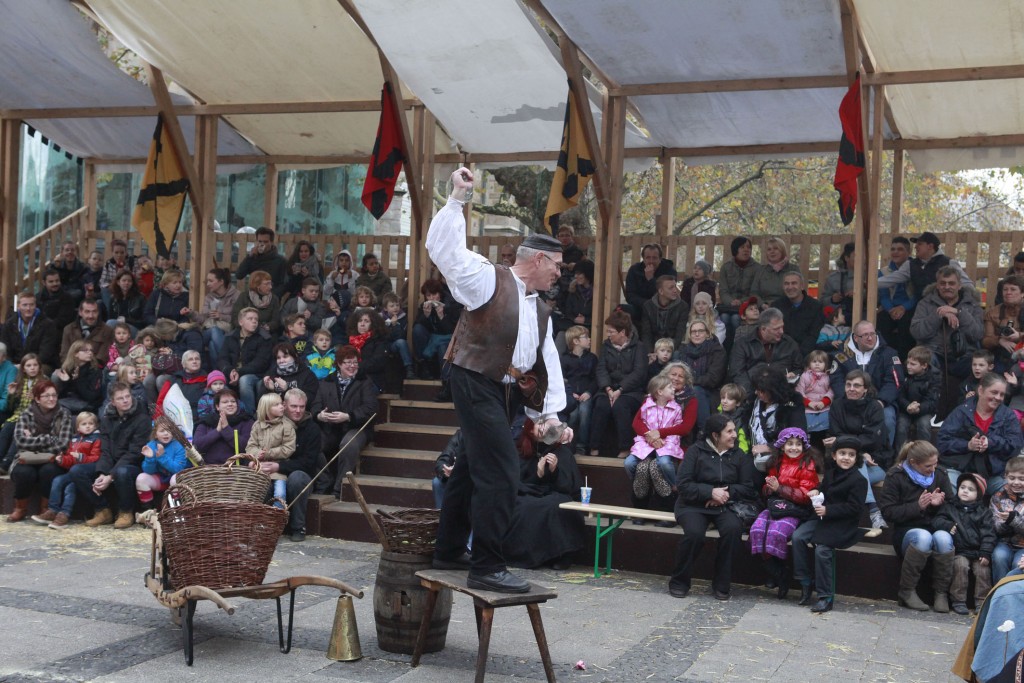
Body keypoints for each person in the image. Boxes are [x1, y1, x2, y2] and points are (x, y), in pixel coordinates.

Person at [426, 167, 571, 594]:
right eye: (557, 266)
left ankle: (449, 550)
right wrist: (457, 199)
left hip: (505, 390)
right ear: (539, 259)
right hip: (472, 376)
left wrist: (549, 416)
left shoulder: (540, 309)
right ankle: (487, 565)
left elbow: (546, 362)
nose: (559, 274)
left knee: (472, 467)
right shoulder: (489, 277)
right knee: (502, 471)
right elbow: (445, 252)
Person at [668, 415, 756, 600]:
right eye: (729, 432)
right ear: (716, 435)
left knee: (732, 530)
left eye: (734, 430)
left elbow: (748, 487)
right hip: (693, 505)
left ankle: (722, 584)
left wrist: (724, 494)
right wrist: (709, 492)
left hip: (725, 505)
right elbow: (683, 484)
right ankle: (679, 581)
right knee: (694, 534)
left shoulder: (739, 455)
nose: (734, 435)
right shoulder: (695, 451)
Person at [791, 434, 867, 612]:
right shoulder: (831, 472)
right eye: (842, 453)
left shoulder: (859, 480)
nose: (846, 458)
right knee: (798, 537)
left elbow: (855, 508)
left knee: (823, 550)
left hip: (842, 523)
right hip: (822, 518)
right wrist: (815, 490)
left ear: (856, 458)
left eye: (851, 455)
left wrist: (829, 510)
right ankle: (805, 582)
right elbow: (824, 489)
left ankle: (825, 596)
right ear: (834, 455)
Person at [878, 440, 955, 611]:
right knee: (923, 537)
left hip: (935, 525)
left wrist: (938, 505)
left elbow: (952, 506)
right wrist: (917, 507)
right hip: (906, 531)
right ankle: (907, 591)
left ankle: (941, 593)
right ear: (913, 462)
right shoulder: (895, 475)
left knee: (944, 538)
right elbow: (888, 512)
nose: (933, 469)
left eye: (935, 464)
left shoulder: (940, 474)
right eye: (928, 466)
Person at [504, 419, 586, 569]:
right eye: (539, 423)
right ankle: (523, 555)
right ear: (530, 429)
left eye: (546, 424)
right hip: (528, 493)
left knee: (555, 506)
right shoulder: (522, 450)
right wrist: (538, 474)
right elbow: (516, 482)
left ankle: (560, 555)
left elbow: (568, 487)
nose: (544, 427)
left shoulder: (561, 451)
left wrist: (554, 471)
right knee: (522, 506)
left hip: (555, 494)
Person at [749, 427, 820, 599]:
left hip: (796, 510)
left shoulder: (807, 464)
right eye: (790, 444)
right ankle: (778, 572)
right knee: (756, 531)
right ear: (782, 446)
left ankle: (782, 576)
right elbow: (767, 488)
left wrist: (779, 488)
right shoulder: (777, 462)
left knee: (776, 533)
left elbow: (805, 496)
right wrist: (769, 487)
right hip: (776, 506)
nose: (794, 448)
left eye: (798, 444)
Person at [72, 382, 152, 529]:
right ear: (113, 402)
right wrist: (102, 473)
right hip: (111, 463)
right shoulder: (107, 419)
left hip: (134, 465)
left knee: (122, 472)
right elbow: (106, 449)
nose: (126, 400)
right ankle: (102, 510)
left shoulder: (142, 419)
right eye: (120, 398)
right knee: (77, 471)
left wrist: (110, 476)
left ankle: (126, 512)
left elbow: (134, 453)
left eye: (128, 396)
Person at [825, 369, 891, 536]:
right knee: (857, 465)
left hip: (875, 461)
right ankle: (873, 511)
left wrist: (849, 444)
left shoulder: (875, 407)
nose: (851, 389)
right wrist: (860, 452)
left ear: (865, 389)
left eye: (856, 385)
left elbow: (873, 439)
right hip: (844, 461)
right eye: (848, 385)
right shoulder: (837, 405)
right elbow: (834, 433)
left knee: (856, 469)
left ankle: (848, 523)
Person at [936, 372, 1021, 493]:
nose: (998, 397)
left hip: (993, 474)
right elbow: (942, 442)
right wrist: (967, 445)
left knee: (1013, 492)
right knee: (947, 487)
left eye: (1002, 394)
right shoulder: (961, 411)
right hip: (959, 470)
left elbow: (1016, 445)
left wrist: (991, 443)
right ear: (980, 390)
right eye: (994, 392)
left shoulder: (1008, 415)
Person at [310, 345, 378, 495]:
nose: (352, 366)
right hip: (330, 428)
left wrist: (348, 416)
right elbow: (315, 406)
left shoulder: (364, 382)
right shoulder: (326, 382)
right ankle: (324, 480)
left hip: (356, 428)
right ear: (339, 364)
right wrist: (319, 415)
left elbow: (371, 408)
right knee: (312, 443)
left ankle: (339, 488)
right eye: (348, 362)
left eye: (355, 362)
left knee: (349, 444)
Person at [4, 380, 73, 523]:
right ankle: (20, 508)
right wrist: (48, 439)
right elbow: (20, 441)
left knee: (48, 470)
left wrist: (34, 440)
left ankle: (45, 509)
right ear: (37, 399)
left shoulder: (64, 414)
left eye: (54, 395)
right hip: (27, 458)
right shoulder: (26, 414)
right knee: (24, 472)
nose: (51, 399)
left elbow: (63, 445)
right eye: (46, 396)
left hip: (52, 458)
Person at [257, 388, 322, 541]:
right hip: (272, 471)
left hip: (300, 473)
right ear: (284, 405)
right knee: (261, 480)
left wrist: (279, 466)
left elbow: (309, 462)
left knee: (296, 479)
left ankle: (298, 527)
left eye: (302, 406)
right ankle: (263, 527)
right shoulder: (269, 423)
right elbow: (255, 446)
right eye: (294, 406)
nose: (298, 410)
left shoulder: (312, 429)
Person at [625, 375, 691, 522]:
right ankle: (639, 507)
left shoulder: (675, 408)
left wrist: (661, 439)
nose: (673, 388)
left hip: (666, 445)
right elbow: (638, 424)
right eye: (670, 387)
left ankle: (674, 490)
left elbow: (678, 429)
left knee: (661, 464)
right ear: (660, 392)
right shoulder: (647, 404)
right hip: (647, 443)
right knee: (631, 464)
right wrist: (652, 438)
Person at [830, 320, 903, 447]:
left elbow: (894, 381)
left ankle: (885, 455)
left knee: (888, 421)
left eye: (872, 334)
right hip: (849, 401)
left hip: (880, 401)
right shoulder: (841, 355)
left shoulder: (889, 354)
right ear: (855, 338)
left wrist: (881, 401)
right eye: (865, 335)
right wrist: (848, 398)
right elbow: (836, 380)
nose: (870, 338)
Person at [932, 472, 994, 614]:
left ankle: (981, 601)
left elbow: (989, 534)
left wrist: (986, 552)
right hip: (960, 550)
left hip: (978, 551)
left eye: (971, 489)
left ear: (978, 494)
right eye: (962, 487)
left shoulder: (984, 513)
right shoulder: (950, 507)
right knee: (960, 567)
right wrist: (947, 525)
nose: (965, 491)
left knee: (983, 571)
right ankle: (958, 600)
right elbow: (936, 521)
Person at [590, 310, 647, 458]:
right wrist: (608, 388)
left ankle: (625, 448)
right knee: (601, 405)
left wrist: (621, 389)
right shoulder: (606, 346)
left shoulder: (639, 347)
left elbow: (639, 372)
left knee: (620, 406)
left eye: (611, 331)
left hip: (630, 391)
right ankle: (594, 446)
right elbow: (601, 369)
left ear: (622, 332)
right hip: (608, 389)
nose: (608, 334)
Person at [30, 411, 101, 529]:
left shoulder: (96, 439)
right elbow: (70, 458)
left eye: (91, 423)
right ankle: (52, 510)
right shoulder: (74, 439)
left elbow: (96, 458)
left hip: (85, 473)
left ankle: (64, 514)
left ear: (95, 425)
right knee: (57, 480)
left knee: (70, 487)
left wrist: (81, 457)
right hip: (72, 471)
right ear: (78, 427)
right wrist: (62, 460)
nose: (88, 426)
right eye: (84, 424)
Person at [910, 265, 984, 379]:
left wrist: (959, 313)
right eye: (943, 283)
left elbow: (977, 334)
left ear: (959, 285)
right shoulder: (925, 303)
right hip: (934, 353)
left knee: (978, 364)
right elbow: (917, 332)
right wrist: (938, 314)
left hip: (964, 355)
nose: (947, 287)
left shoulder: (972, 304)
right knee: (923, 361)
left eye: (951, 283)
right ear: (937, 285)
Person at [728, 307, 802, 394]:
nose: (781, 331)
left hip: (782, 393)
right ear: (763, 329)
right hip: (752, 393)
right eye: (776, 329)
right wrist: (753, 394)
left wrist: (794, 374)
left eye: (782, 327)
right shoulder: (743, 344)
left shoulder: (789, 343)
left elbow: (799, 368)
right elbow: (738, 373)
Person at [748, 365, 808, 473]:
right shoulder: (754, 401)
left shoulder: (793, 402)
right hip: (754, 455)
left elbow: (797, 434)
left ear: (773, 391)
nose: (756, 393)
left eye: (761, 390)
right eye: (756, 389)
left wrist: (769, 447)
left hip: (783, 457)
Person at [877, 231, 973, 298]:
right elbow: (891, 279)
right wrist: (871, 284)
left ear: (930, 246)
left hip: (944, 308)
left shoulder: (949, 263)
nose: (915, 247)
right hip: (920, 308)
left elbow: (967, 285)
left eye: (919, 244)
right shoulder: (910, 265)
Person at [218, 308, 274, 413]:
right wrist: (230, 371)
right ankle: (225, 414)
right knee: (217, 381)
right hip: (233, 372)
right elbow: (222, 358)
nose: (254, 321)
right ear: (241, 322)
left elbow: (261, 363)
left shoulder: (264, 338)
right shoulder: (230, 337)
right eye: (250, 319)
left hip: (256, 374)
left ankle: (248, 415)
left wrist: (238, 373)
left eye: (256, 319)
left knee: (244, 380)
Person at [246, 393, 296, 508]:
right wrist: (257, 454)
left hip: (279, 472)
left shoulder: (287, 426)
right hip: (260, 470)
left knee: (280, 494)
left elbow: (288, 448)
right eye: (276, 405)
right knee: (254, 493)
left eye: (281, 403)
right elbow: (251, 446)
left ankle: (278, 516)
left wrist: (268, 453)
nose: (281, 406)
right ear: (267, 408)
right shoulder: (257, 426)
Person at [677, 319, 727, 425]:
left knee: (696, 391)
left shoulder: (717, 350)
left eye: (700, 331)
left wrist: (690, 381)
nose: (697, 334)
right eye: (693, 331)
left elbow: (713, 379)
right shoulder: (683, 350)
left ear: (707, 333)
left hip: (710, 391)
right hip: (685, 389)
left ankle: (704, 430)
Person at [135, 416, 191, 510]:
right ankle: (149, 512)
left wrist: (162, 457)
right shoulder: (151, 445)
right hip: (162, 479)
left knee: (174, 478)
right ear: (155, 434)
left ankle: (177, 511)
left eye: (169, 430)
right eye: (162, 431)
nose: (166, 433)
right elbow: (148, 471)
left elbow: (178, 469)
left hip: (178, 481)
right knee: (141, 478)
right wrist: (150, 458)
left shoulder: (178, 445)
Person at [877, 236, 918, 361]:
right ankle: (886, 359)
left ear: (908, 252)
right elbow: (883, 295)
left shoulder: (916, 268)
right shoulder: (884, 271)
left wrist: (903, 307)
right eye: (893, 249)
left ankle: (905, 360)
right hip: (891, 308)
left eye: (900, 249)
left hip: (910, 308)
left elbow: (918, 294)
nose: (895, 252)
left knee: (907, 323)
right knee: (881, 320)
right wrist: (890, 309)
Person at [0, 354, 43, 475]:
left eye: (35, 365)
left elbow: (48, 405)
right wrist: (11, 395)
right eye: (28, 365)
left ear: (39, 367)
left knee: (18, 433)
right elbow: (11, 407)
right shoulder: (20, 382)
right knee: (6, 429)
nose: (32, 368)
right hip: (18, 415)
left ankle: (6, 463)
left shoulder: (44, 382)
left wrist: (36, 399)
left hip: (34, 417)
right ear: (23, 369)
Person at [895, 345, 940, 451]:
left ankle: (924, 454)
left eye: (913, 364)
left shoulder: (934, 378)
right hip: (905, 409)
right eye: (908, 363)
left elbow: (932, 400)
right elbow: (899, 395)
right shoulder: (904, 374)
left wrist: (919, 408)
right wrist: (907, 406)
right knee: (901, 426)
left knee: (924, 426)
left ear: (924, 365)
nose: (908, 366)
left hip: (924, 411)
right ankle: (900, 455)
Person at [561, 325, 597, 456]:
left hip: (586, 394)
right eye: (586, 337)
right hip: (570, 395)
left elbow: (595, 379)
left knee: (584, 412)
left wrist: (589, 392)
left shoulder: (592, 358)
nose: (589, 339)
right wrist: (570, 393)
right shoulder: (564, 359)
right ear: (576, 341)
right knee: (573, 414)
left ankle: (581, 446)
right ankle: (567, 444)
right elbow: (562, 379)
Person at [192, 388, 253, 465]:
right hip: (209, 469)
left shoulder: (246, 421)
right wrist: (217, 431)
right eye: (225, 402)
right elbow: (197, 447)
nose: (230, 404)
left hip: (236, 469)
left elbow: (246, 448)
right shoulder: (206, 422)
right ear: (217, 406)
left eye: (233, 401)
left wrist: (226, 428)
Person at [0, 291, 59, 369]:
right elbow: (6, 350)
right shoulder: (9, 324)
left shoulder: (48, 324)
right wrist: (11, 366)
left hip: (40, 364)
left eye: (31, 305)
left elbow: (46, 352)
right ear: (18, 306)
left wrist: (28, 365)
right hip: (15, 364)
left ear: (35, 305)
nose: (28, 308)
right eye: (25, 305)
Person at [412, 279, 458, 379]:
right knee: (418, 329)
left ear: (440, 294)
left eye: (434, 294)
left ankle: (445, 380)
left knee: (442, 348)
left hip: (445, 339)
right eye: (428, 295)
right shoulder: (424, 306)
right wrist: (425, 316)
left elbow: (452, 331)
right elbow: (416, 327)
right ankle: (423, 365)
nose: (432, 298)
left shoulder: (450, 306)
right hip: (430, 339)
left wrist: (442, 317)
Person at [193, 267, 239, 365]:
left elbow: (238, 318)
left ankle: (218, 372)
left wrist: (221, 316)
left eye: (211, 281)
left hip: (227, 332)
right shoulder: (209, 297)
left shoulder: (236, 295)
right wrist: (190, 313)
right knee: (214, 330)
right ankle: (227, 363)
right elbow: (203, 319)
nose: (208, 284)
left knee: (212, 345)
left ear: (221, 282)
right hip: (208, 330)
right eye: (207, 281)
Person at [718, 236, 759, 341]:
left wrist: (741, 301)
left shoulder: (757, 268)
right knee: (724, 318)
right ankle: (726, 348)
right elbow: (723, 290)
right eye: (742, 247)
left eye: (748, 247)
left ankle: (739, 347)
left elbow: (755, 291)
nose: (746, 250)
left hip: (747, 306)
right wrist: (730, 301)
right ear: (735, 249)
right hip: (728, 306)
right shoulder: (726, 267)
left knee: (736, 318)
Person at [776, 271, 824, 358]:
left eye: (794, 283)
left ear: (802, 286)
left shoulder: (815, 306)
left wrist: (799, 354)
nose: (790, 287)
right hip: (781, 353)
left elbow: (814, 334)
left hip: (807, 354)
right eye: (786, 284)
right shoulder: (776, 306)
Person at [991, 456, 1024, 583]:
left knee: (1018, 564)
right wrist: (1005, 521)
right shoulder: (998, 497)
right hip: (1004, 543)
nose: (1016, 482)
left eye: (1021, 479)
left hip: (1022, 545)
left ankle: (1014, 593)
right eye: (1012, 478)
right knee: (999, 557)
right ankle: (998, 591)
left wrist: (1013, 519)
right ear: (1005, 476)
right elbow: (996, 528)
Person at [982, 275, 1024, 370]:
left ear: (1022, 293)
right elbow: (985, 341)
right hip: (1001, 356)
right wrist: (1000, 340)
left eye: (1013, 289)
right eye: (1005, 289)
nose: (1008, 292)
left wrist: (1019, 335)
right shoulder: (993, 313)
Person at [625, 244, 677, 320]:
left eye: (654, 258)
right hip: (640, 307)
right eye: (648, 258)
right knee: (624, 310)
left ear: (660, 259)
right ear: (643, 259)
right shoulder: (635, 270)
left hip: (661, 309)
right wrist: (647, 304)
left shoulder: (669, 270)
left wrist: (651, 279)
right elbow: (630, 295)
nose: (651, 261)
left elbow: (666, 295)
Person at [59, 297, 115, 368]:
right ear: (80, 312)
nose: (91, 316)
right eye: (87, 312)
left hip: (95, 369)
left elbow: (102, 358)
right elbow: (64, 355)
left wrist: (85, 368)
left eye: (94, 312)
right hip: (72, 367)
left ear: (98, 312)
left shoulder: (107, 330)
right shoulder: (69, 329)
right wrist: (71, 368)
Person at [53, 340, 104, 414]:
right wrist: (67, 381)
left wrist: (78, 379)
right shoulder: (69, 368)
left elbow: (91, 397)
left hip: (88, 403)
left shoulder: (95, 370)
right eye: (85, 350)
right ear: (75, 354)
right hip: (71, 400)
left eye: (91, 350)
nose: (90, 353)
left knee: (56, 405)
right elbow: (64, 394)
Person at [639, 274, 688, 351]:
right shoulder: (648, 306)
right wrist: (650, 352)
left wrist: (668, 351)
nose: (675, 290)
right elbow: (646, 333)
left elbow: (680, 334)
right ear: (661, 291)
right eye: (671, 288)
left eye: (675, 286)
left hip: (673, 348)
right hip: (654, 347)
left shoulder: (683, 306)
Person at [235, 226, 288, 295]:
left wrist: (272, 296)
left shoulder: (280, 261)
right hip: (254, 296)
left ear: (271, 242)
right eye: (260, 241)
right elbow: (239, 275)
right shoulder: (253, 258)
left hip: (271, 296)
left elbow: (284, 284)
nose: (262, 244)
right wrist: (249, 257)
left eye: (265, 242)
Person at [750, 236, 800, 308]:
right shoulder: (761, 270)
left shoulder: (793, 269)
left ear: (782, 250)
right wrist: (762, 304)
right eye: (769, 249)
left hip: (788, 308)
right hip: (765, 308)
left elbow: (798, 292)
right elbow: (753, 293)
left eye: (776, 248)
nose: (772, 252)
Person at [347, 308, 387, 393]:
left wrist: (355, 367)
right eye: (360, 321)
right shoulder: (350, 341)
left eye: (366, 321)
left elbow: (376, 363)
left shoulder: (379, 341)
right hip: (351, 378)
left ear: (373, 324)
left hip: (371, 379)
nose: (362, 324)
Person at [231, 270, 282, 335]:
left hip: (265, 332)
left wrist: (266, 327)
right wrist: (247, 326)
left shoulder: (274, 299)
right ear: (257, 285)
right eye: (266, 284)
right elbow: (235, 317)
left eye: (270, 283)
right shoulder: (244, 297)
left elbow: (276, 321)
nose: (270, 287)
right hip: (245, 331)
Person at [796, 350, 833, 438]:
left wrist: (824, 402)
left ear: (826, 365)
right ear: (809, 363)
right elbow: (799, 391)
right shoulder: (804, 376)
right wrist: (808, 403)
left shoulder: (828, 377)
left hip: (824, 408)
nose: (817, 364)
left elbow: (831, 391)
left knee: (824, 431)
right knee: (808, 431)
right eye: (814, 361)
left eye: (820, 362)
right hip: (808, 408)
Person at [819, 242, 857, 324]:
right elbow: (822, 301)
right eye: (856, 256)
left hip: (862, 318)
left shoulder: (870, 277)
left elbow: (878, 299)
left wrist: (861, 295)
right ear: (847, 258)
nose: (861, 259)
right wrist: (832, 299)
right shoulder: (833, 278)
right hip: (839, 320)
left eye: (863, 256)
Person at [380, 292, 413, 379]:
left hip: (394, 344)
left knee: (401, 342)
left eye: (397, 305)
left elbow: (401, 336)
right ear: (385, 308)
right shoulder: (380, 318)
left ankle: (409, 368)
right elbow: (382, 336)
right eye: (392, 306)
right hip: (383, 344)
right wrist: (389, 325)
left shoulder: (403, 317)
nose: (395, 308)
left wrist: (395, 326)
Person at [98, 239, 137, 311]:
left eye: (122, 252)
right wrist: (112, 286)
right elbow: (102, 282)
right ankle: (112, 311)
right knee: (104, 291)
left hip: (127, 288)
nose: (119, 255)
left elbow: (135, 279)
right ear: (112, 253)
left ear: (126, 253)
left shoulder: (131, 262)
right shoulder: (108, 264)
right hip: (113, 289)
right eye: (116, 252)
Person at [558, 260, 594, 334]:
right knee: (561, 334)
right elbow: (567, 311)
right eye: (575, 273)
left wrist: (586, 320)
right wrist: (574, 319)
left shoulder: (598, 294)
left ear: (588, 274)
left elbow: (601, 316)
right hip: (573, 328)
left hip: (592, 330)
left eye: (579, 274)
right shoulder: (573, 290)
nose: (575, 276)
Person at [37, 268, 79, 332]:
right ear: (44, 283)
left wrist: (46, 326)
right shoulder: (38, 297)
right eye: (51, 282)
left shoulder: (67, 298)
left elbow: (63, 320)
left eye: (57, 281)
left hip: (59, 331)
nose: (55, 284)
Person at [432, 430, 463, 509]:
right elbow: (442, 460)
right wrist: (446, 471)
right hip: (458, 478)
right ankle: (441, 515)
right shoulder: (460, 435)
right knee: (437, 482)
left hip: (477, 480)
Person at [718, 383, 750, 454]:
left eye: (729, 399)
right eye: (723, 398)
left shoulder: (742, 421)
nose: (724, 401)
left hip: (734, 455)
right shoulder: (718, 415)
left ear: (738, 403)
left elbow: (743, 447)